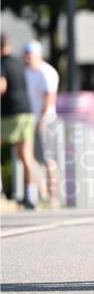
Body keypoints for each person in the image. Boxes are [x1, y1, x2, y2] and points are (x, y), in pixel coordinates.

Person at [1, 34, 37, 208]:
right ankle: (31, 196)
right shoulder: (19, 63)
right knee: (26, 157)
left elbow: (2, 86)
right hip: (26, 112)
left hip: (9, 114)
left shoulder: (2, 64)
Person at [23, 40, 60, 205]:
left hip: (47, 120)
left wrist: (43, 118)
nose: (27, 58)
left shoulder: (47, 72)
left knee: (49, 158)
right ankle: (42, 194)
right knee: (33, 158)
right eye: (26, 55)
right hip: (30, 120)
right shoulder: (27, 73)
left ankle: (53, 196)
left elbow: (49, 97)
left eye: (30, 55)